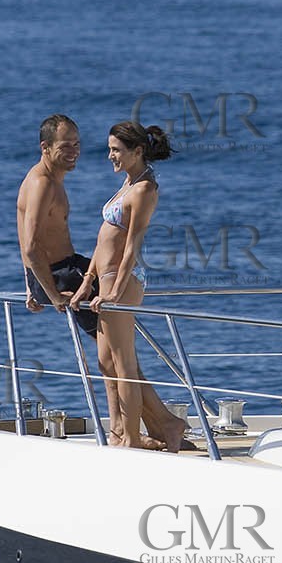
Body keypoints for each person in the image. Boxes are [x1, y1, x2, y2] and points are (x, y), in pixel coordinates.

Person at [68, 121, 186, 451]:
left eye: (116, 150)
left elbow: (132, 245)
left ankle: (132, 438)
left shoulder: (145, 189)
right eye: (109, 150)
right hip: (104, 282)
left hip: (123, 282)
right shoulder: (128, 182)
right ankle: (128, 431)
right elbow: (104, 240)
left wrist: (116, 290)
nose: (110, 156)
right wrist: (87, 283)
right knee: (107, 363)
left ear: (137, 151)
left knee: (124, 367)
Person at [16, 114, 98, 339]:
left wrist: (30, 285)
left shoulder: (52, 180)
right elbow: (31, 245)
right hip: (59, 275)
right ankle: (125, 372)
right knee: (113, 339)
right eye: (65, 146)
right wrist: (50, 294)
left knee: (116, 274)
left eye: (76, 144)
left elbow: (24, 236)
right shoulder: (42, 184)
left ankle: (124, 370)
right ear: (46, 147)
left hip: (58, 270)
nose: (74, 152)